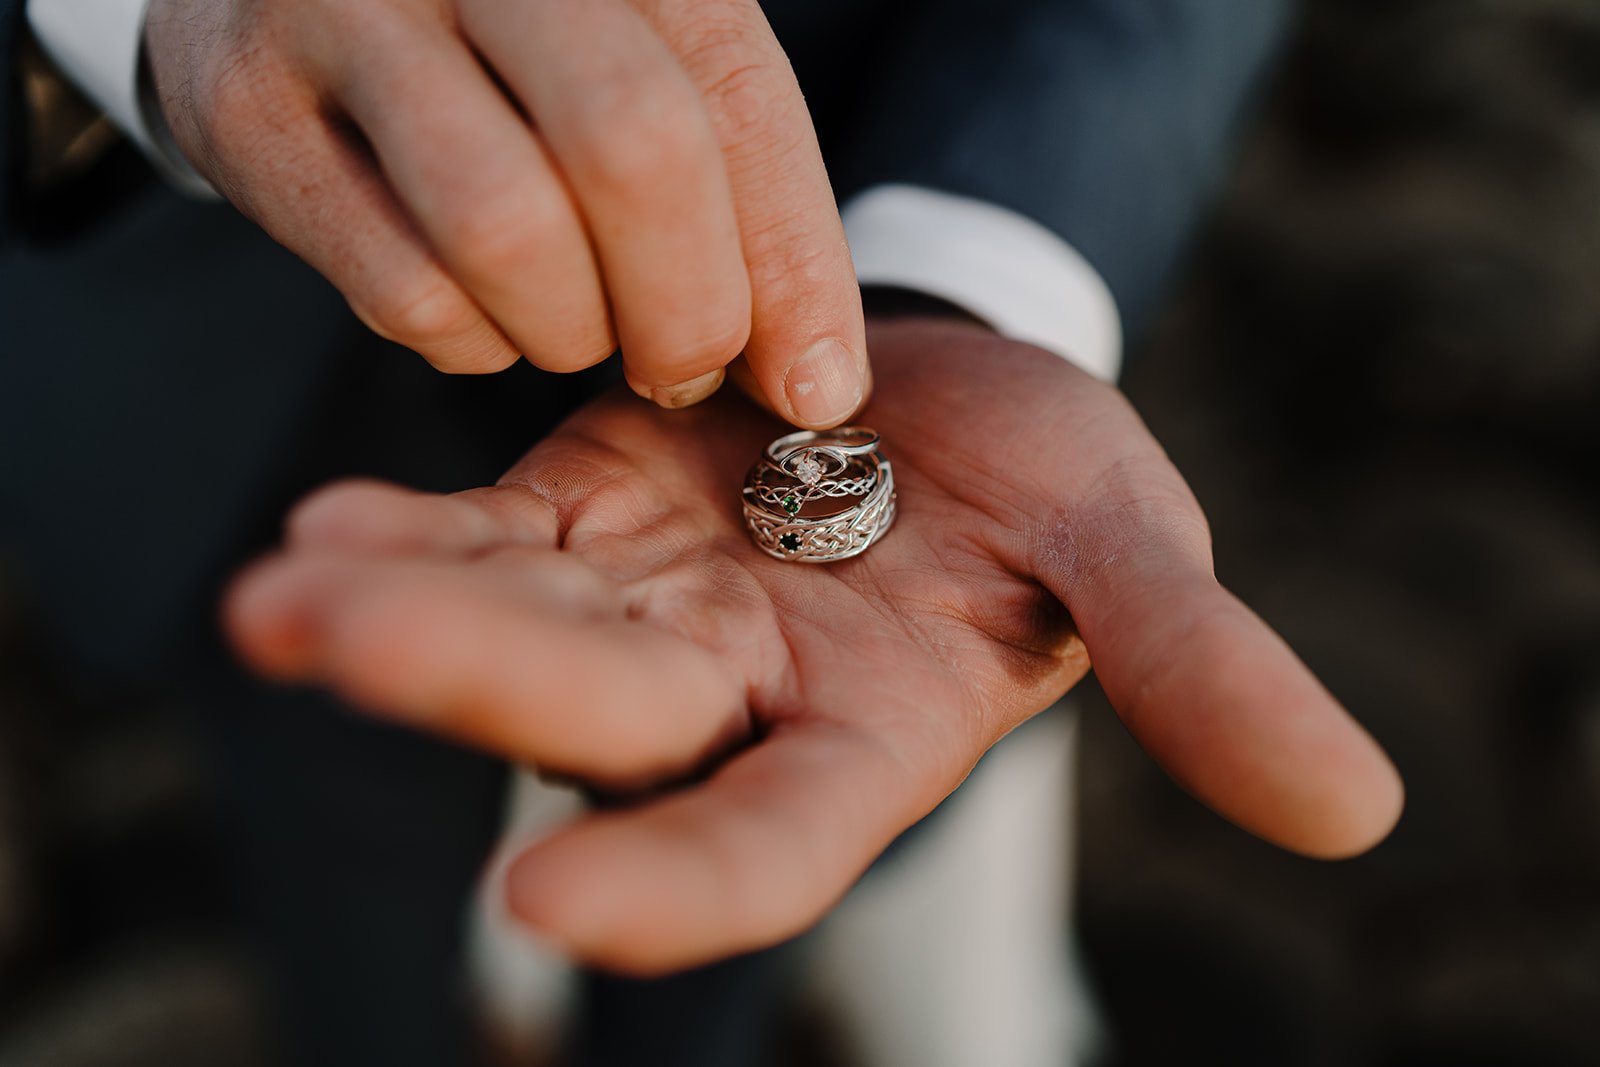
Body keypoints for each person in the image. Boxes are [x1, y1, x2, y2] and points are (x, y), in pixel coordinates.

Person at [3, 0, 1403, 1062]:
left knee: (732, 895)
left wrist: (967, 283)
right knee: (337, 879)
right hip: (216, 384)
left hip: (850, 203)